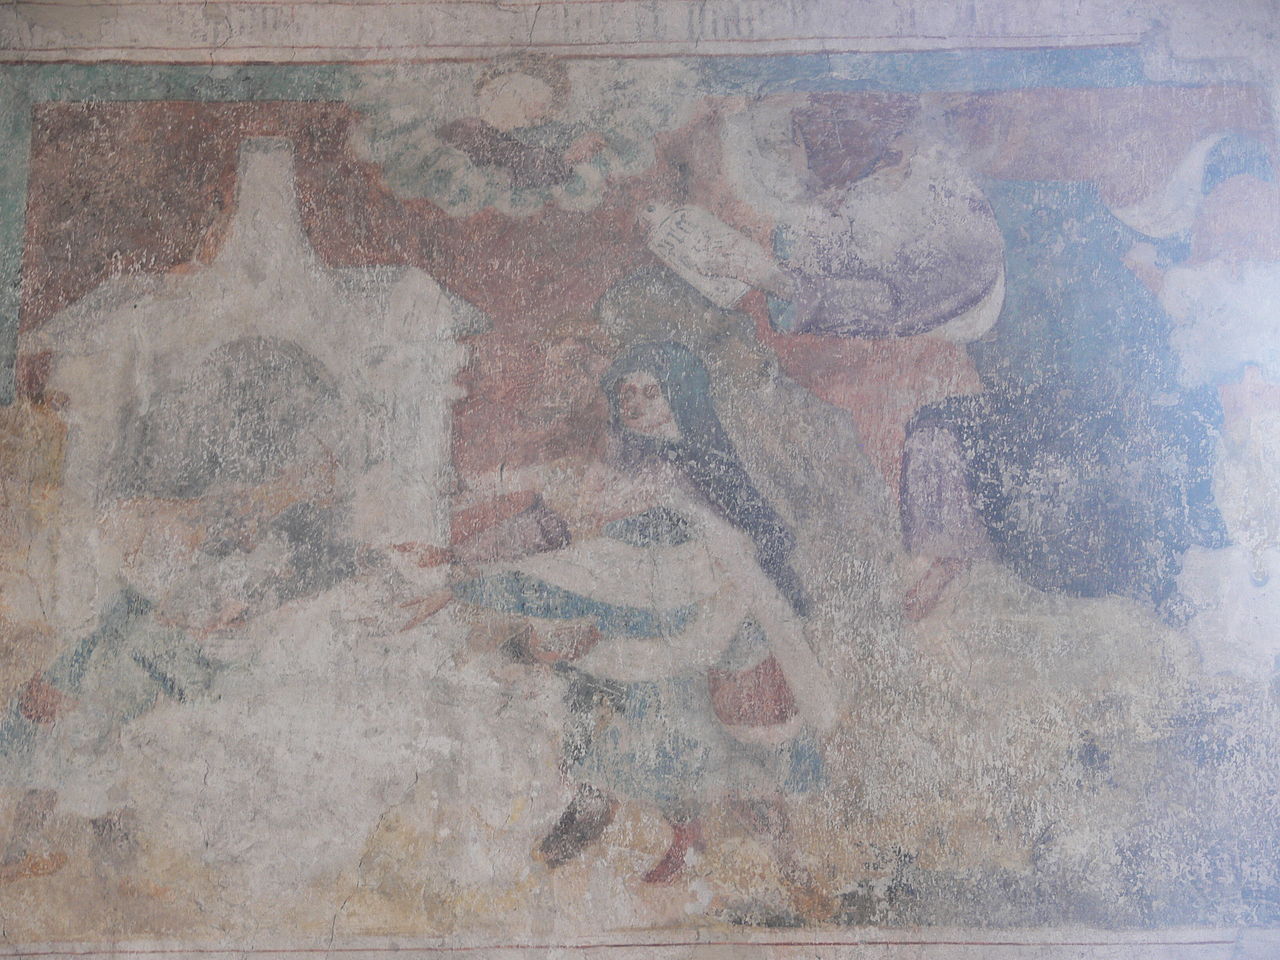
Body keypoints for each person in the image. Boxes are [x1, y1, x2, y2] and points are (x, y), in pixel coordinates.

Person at [403, 341, 837, 889]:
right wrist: (460, 562)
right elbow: (562, 531)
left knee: (742, 745)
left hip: (717, 623)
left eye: (650, 391)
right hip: (645, 619)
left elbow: (749, 544)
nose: (634, 403)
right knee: (622, 705)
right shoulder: (617, 464)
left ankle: (789, 865)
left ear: (680, 397)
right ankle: (642, 822)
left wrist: (730, 583)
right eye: (626, 392)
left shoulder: (701, 466)